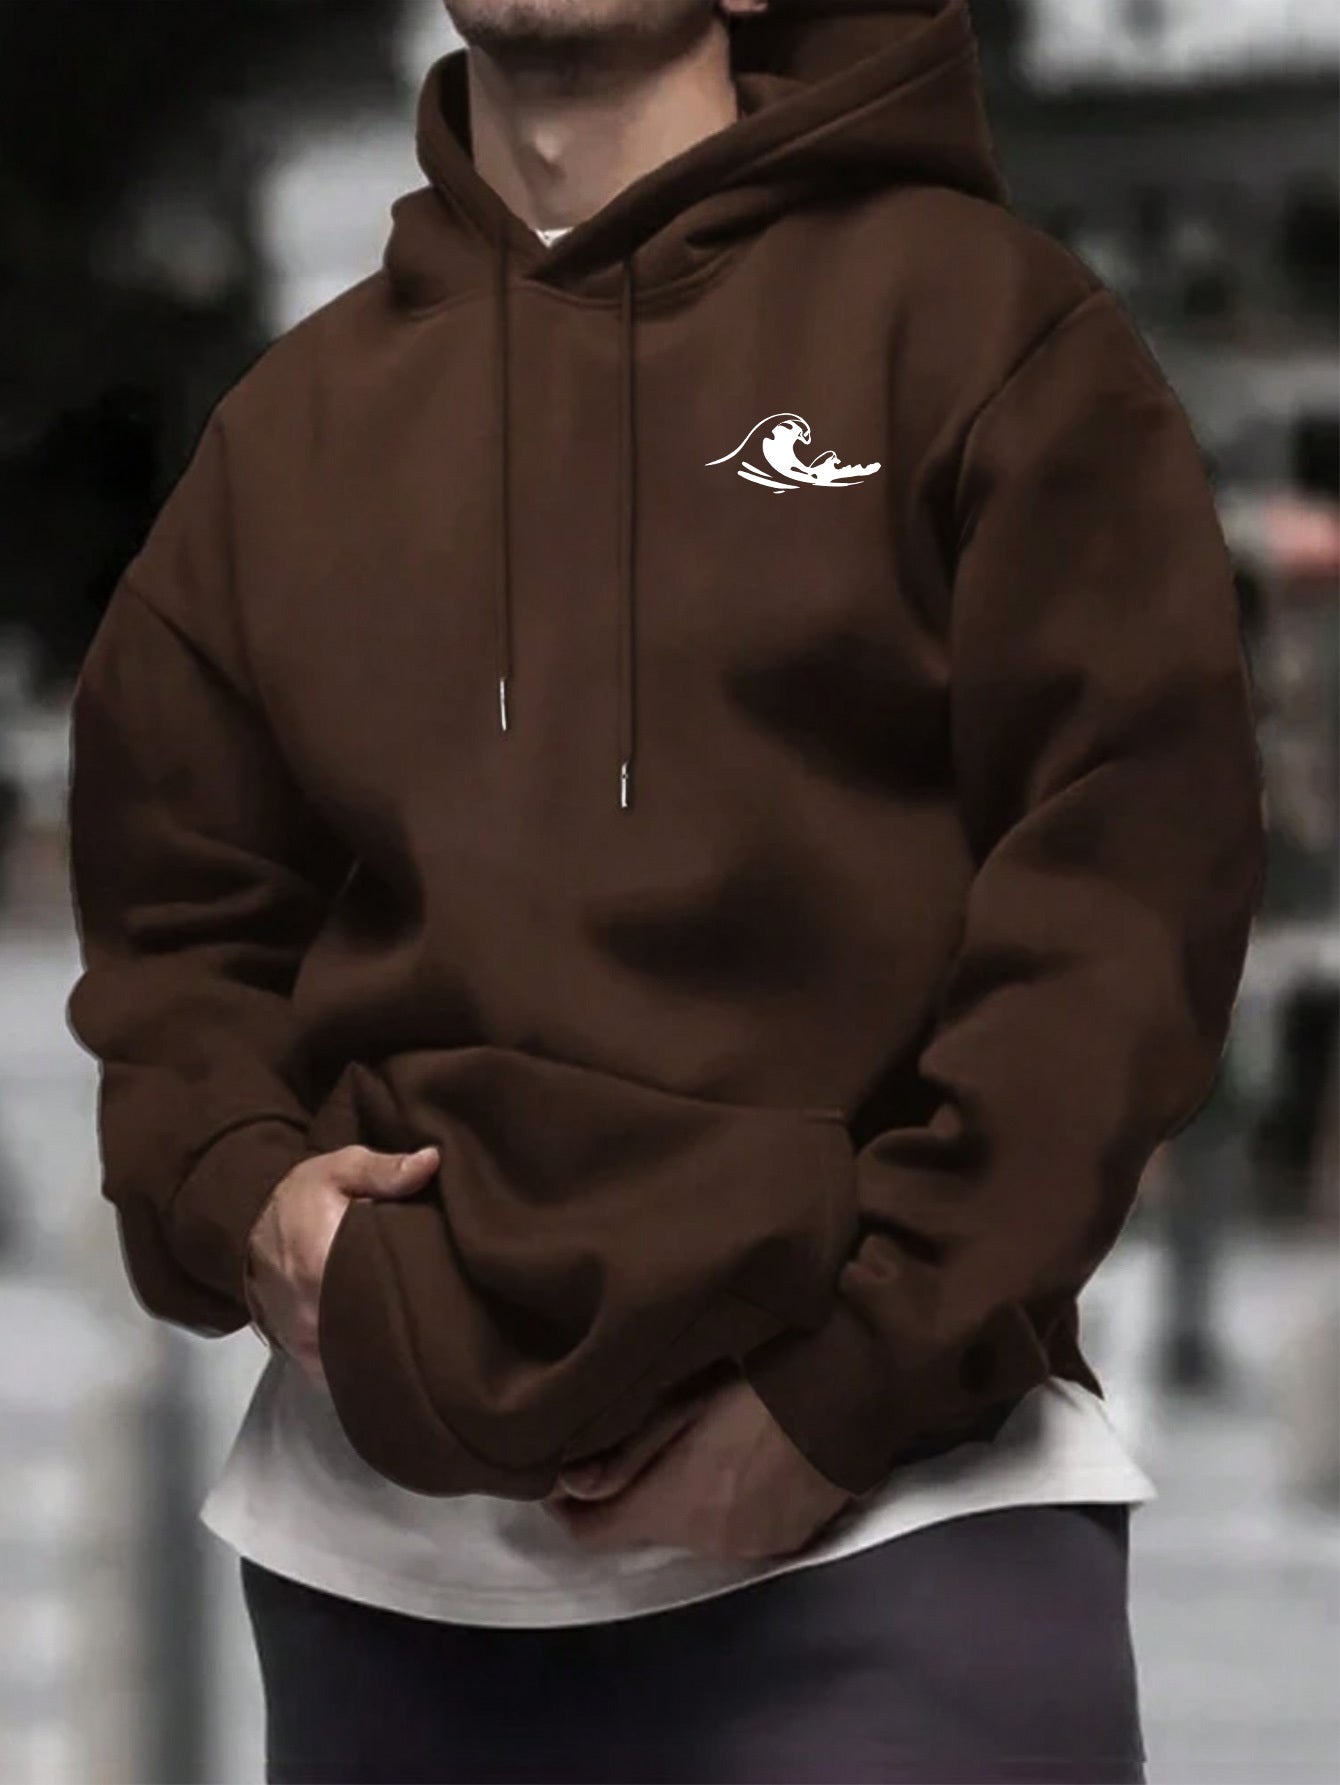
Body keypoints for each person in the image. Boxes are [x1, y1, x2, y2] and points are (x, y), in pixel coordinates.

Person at [63, 1, 1268, 1780]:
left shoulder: (987, 335)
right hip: (386, 1577)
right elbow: (176, 925)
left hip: (896, 1536)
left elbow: (1123, 902)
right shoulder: (289, 431)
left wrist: (849, 1383)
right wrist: (242, 1192)